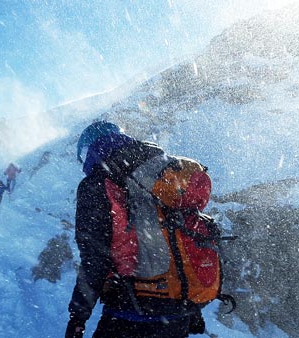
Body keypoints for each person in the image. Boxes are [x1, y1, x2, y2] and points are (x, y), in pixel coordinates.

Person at [66, 121, 200, 338]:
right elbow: (184, 236)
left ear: (90, 149)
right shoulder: (161, 171)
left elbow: (95, 259)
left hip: (130, 309)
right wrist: (192, 308)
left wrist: (77, 317)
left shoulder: (98, 183)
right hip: (178, 312)